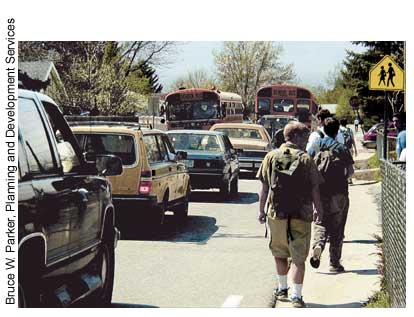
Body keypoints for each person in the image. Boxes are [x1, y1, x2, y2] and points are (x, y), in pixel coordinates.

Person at [257, 122, 324, 308]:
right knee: (298, 257)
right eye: (304, 138)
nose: (306, 142)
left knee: (279, 252)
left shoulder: (271, 156)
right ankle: (297, 296)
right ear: (296, 137)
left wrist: (261, 210)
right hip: (301, 214)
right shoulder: (305, 159)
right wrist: (319, 210)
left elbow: (264, 187)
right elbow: (314, 189)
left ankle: (282, 288)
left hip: (276, 213)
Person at [308, 117, 354, 273]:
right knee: (337, 227)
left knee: (320, 222)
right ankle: (334, 263)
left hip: (320, 193)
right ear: (337, 131)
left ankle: (318, 246)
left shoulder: (315, 146)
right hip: (339, 193)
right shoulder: (342, 148)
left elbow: (309, 169)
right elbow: (350, 172)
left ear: (323, 129)